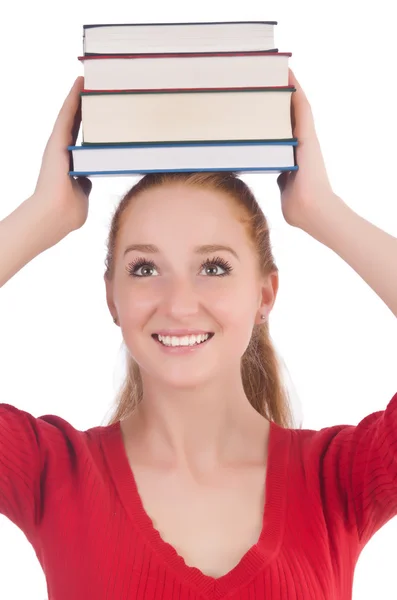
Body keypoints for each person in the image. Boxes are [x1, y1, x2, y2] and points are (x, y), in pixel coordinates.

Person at [0, 71, 396, 600]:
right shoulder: (54, 474)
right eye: (144, 269)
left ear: (264, 294)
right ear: (112, 297)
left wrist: (321, 209)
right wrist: (41, 214)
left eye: (213, 267)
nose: (179, 303)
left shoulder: (337, 481)